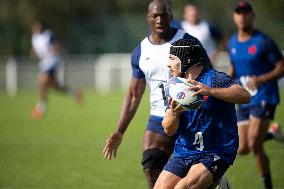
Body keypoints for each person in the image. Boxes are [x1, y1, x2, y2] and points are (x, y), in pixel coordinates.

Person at [102, 0, 211, 188]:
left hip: (191, 119)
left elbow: (210, 79)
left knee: (190, 181)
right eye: (155, 15)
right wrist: (120, 130)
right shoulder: (141, 51)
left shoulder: (188, 43)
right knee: (151, 165)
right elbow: (134, 95)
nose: (159, 19)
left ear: (171, 16)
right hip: (159, 119)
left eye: (163, 15)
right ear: (148, 18)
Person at [154, 38, 251, 189]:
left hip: (216, 150)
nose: (168, 64)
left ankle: (213, 179)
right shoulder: (172, 87)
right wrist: (174, 114)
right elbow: (168, 129)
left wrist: (210, 91)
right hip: (185, 151)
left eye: (172, 58)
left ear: (187, 59)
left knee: (182, 188)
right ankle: (217, 183)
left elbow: (245, 96)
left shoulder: (216, 79)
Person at [227, 1, 284, 189]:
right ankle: (270, 132)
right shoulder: (232, 42)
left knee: (254, 144)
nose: (242, 16)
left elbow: (281, 67)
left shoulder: (263, 41)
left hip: (265, 95)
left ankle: (268, 185)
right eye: (238, 13)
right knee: (242, 148)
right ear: (234, 17)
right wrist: (224, 84)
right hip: (244, 98)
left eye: (246, 12)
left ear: (252, 16)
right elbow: (234, 67)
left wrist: (260, 79)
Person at [31, 20, 82, 118]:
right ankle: (75, 93)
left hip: (52, 61)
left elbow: (56, 46)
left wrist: (53, 50)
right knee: (54, 86)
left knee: (42, 81)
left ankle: (40, 109)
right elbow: (35, 50)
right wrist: (34, 53)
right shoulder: (34, 38)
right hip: (44, 63)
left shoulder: (48, 34)